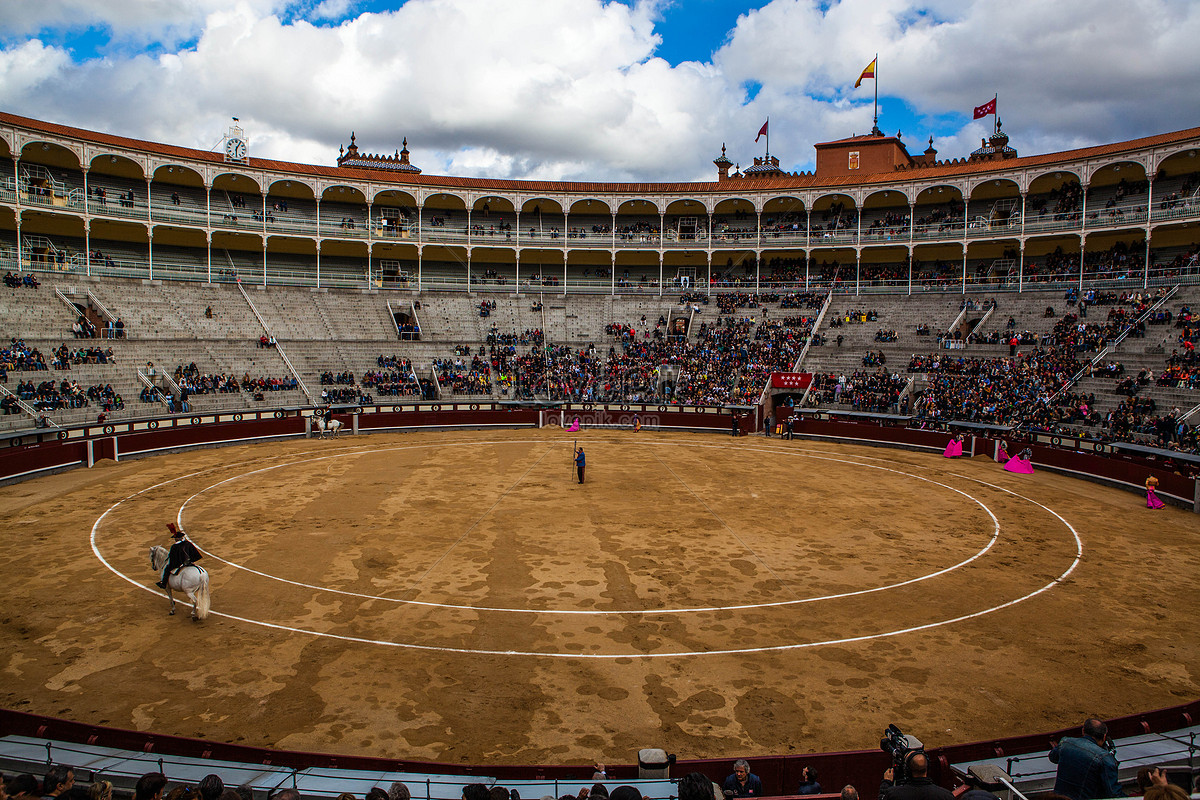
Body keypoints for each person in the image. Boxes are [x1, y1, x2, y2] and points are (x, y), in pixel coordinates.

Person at [1048, 718, 1125, 800]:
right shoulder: (1104, 758)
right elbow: (1113, 793)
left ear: (1083, 731)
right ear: (1104, 736)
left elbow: (1053, 757)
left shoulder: (1066, 742)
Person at [878, 753, 954, 800]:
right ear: (927, 769)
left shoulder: (893, 794)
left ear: (907, 771)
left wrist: (886, 783)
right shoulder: (946, 796)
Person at [156, 523, 202, 589]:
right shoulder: (188, 543)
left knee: (167, 569)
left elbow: (172, 558)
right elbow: (194, 553)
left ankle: (163, 584)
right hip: (189, 562)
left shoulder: (175, 547)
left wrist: (172, 564)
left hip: (179, 563)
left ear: (176, 539)